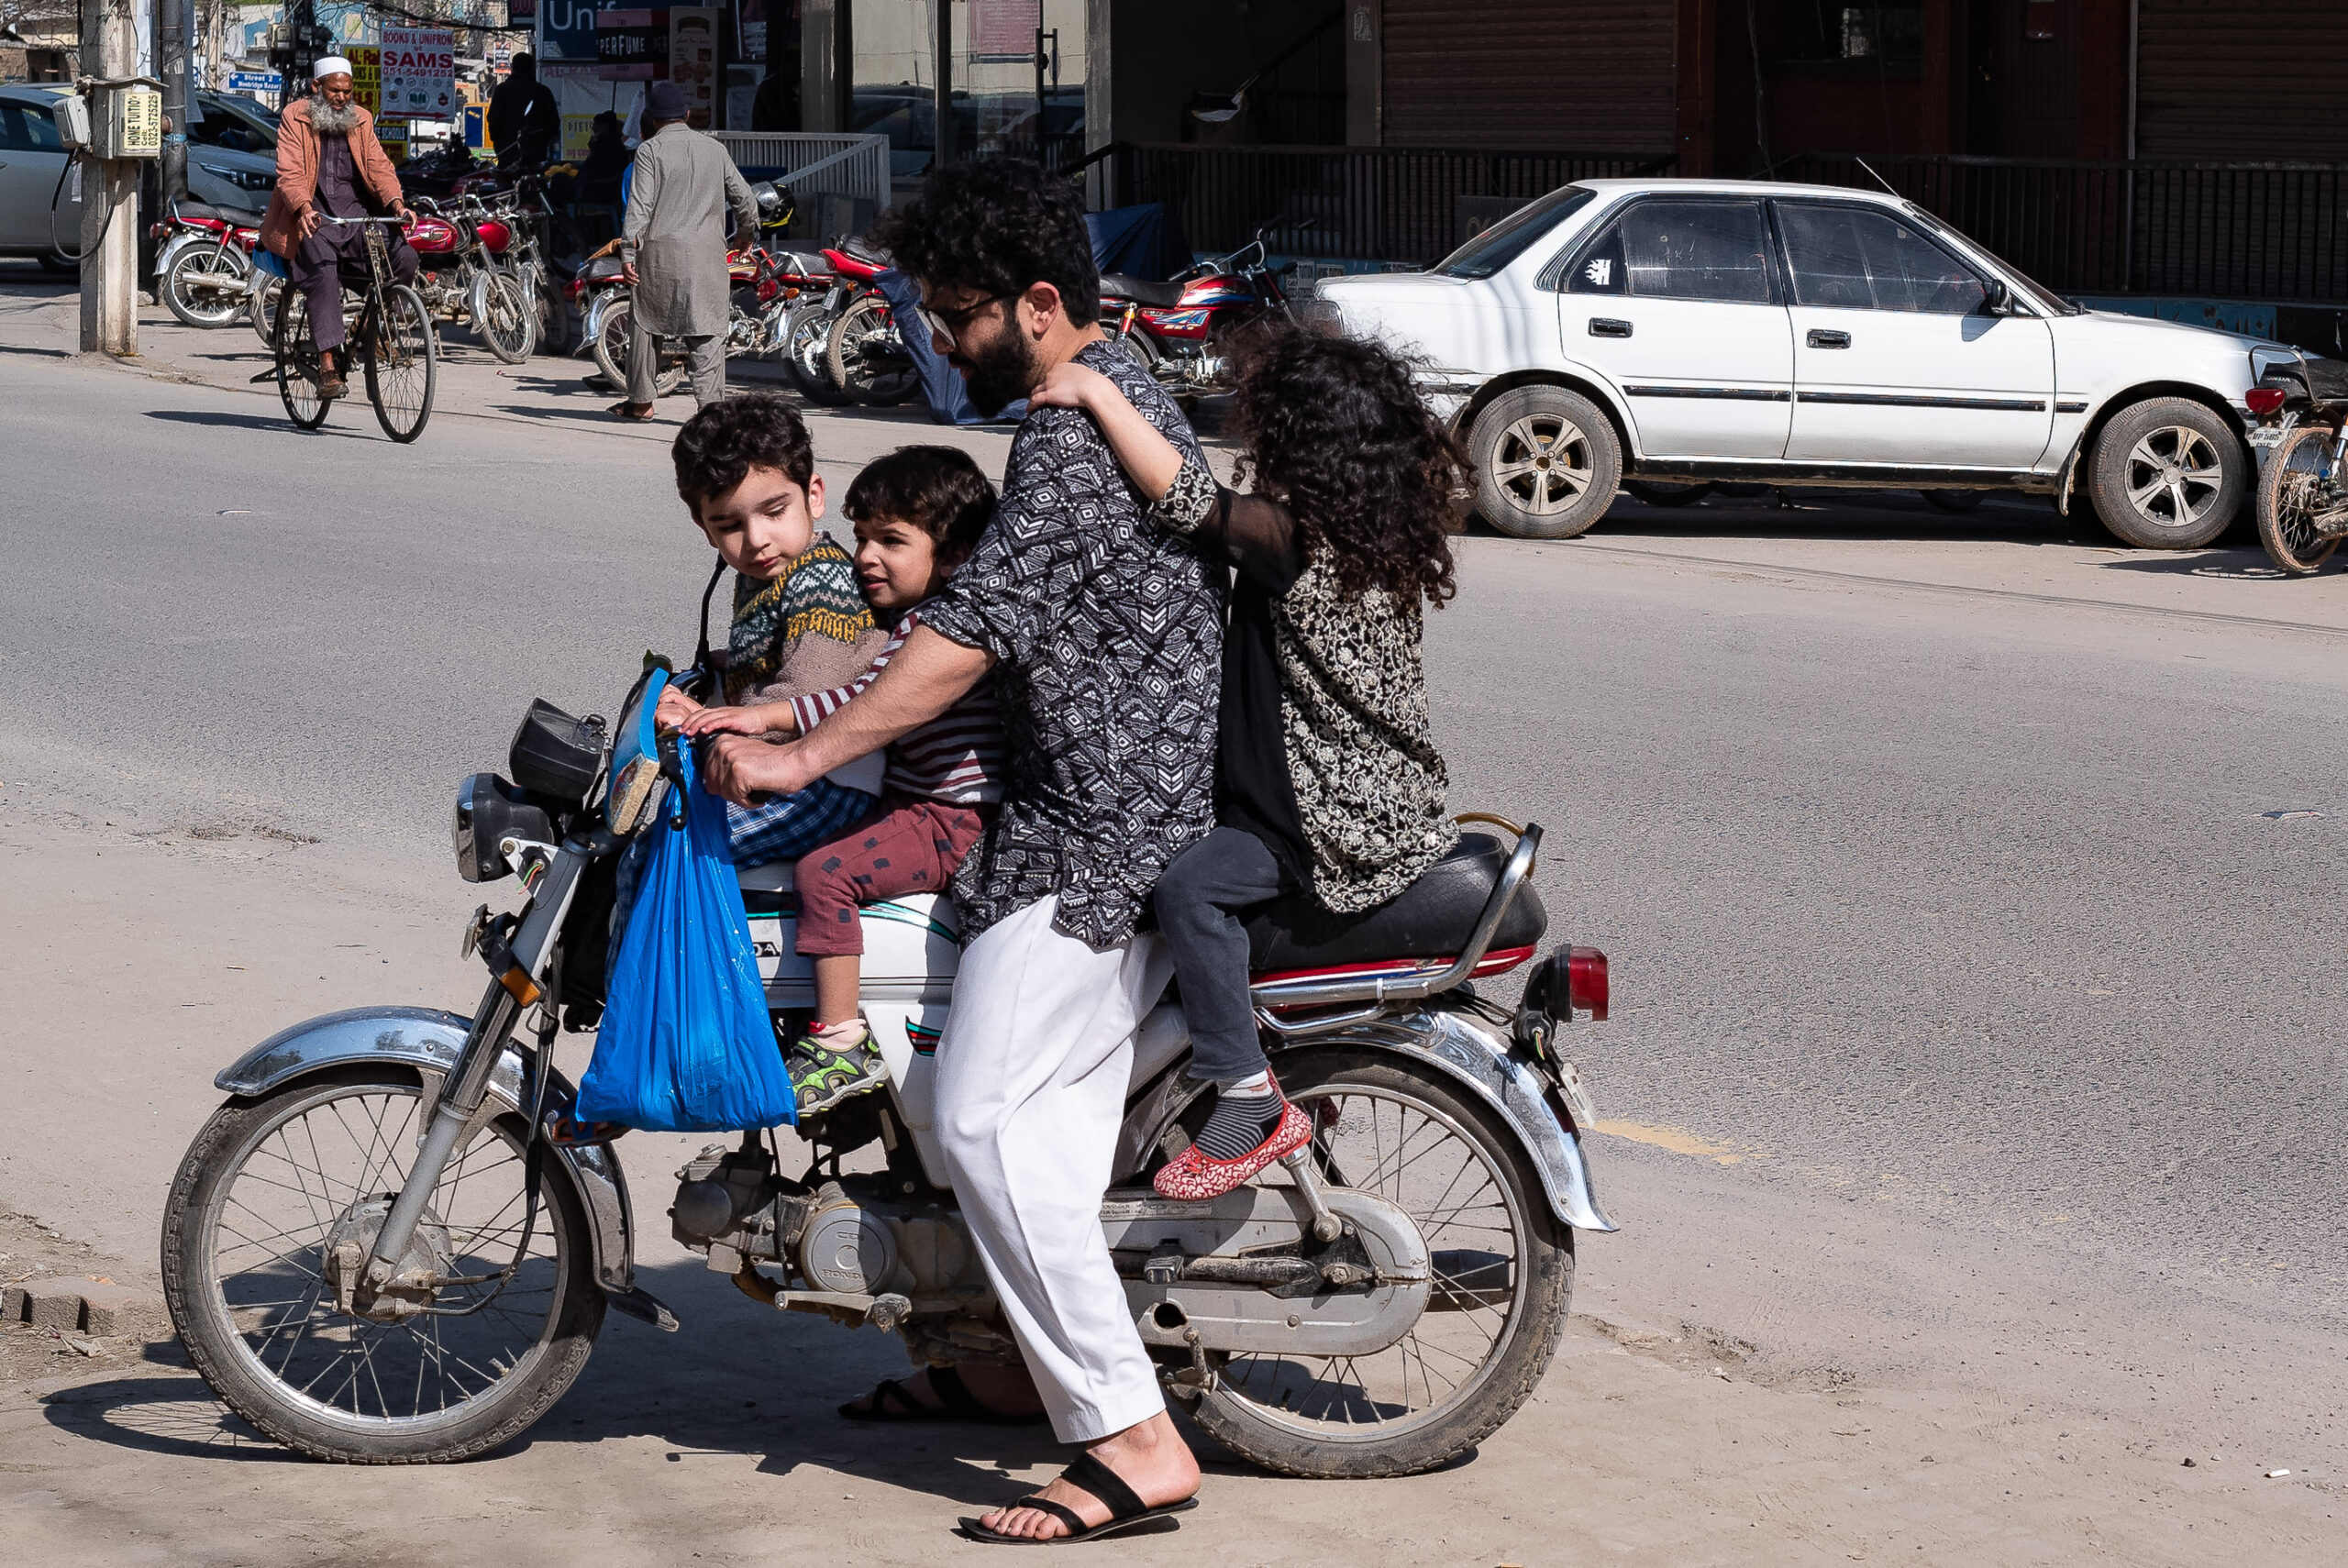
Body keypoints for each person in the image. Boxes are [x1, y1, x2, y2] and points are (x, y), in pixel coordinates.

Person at [693, 157, 1219, 1544]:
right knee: (966, 1119)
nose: (938, 338)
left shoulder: (1062, 445)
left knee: (985, 1117)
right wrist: (764, 711)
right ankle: (994, 1365)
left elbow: (959, 637)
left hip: (1099, 833)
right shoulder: (1123, 384)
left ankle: (1132, 1434)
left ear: (1038, 306)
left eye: (958, 313)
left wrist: (802, 756)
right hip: (1067, 815)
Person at [1028, 328, 1467, 1200]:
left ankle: (1247, 1095)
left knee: (1191, 889)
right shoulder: (1374, 538)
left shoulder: (1295, 539)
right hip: (1386, 802)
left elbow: (1191, 502)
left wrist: (1103, 396)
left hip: (1327, 821)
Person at [677, 446, 1004, 1115]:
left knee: (825, 872)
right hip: (914, 803)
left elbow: (846, 704)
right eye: (861, 538)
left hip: (948, 817)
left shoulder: (938, 632)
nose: (864, 557)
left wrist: (753, 719)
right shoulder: (909, 623)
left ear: (954, 555)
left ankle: (839, 1039)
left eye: (891, 540)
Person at [258, 58, 417, 402]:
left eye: (347, 91)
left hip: (356, 219)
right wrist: (302, 206)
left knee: (404, 256)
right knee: (323, 272)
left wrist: (396, 204)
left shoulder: (361, 120)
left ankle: (370, 328)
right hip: (313, 219)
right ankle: (328, 365)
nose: (342, 98)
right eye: (334, 90)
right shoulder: (295, 116)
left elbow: (379, 167)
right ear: (317, 88)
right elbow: (290, 171)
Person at [613, 80, 758, 420]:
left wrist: (628, 252)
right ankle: (710, 411)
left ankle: (642, 402)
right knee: (707, 332)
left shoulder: (650, 151)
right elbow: (746, 200)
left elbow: (640, 207)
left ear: (651, 118)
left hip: (660, 258)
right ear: (687, 114)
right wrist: (745, 235)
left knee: (645, 326)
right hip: (707, 258)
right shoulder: (715, 150)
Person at [487, 52, 560, 171]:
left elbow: (494, 120)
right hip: (536, 158)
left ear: (512, 68)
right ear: (532, 69)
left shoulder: (502, 90)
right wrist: (540, 140)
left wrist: (500, 141)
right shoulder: (542, 91)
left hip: (506, 154)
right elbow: (553, 124)